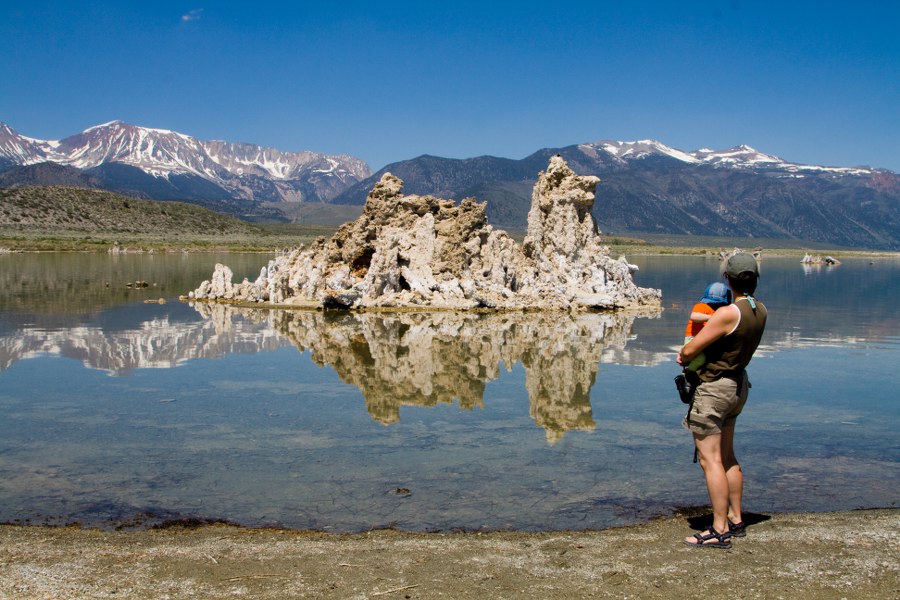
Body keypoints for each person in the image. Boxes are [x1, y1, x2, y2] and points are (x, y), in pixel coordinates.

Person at [676, 252, 767, 549]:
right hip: (738, 385)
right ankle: (736, 518)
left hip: (715, 389)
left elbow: (690, 351)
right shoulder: (760, 309)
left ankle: (718, 529)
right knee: (728, 456)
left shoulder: (729, 313)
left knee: (710, 459)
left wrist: (684, 355)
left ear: (728, 279)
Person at [683, 282, 733, 373]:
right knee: (700, 359)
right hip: (693, 338)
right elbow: (694, 316)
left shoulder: (720, 311)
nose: (716, 306)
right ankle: (689, 372)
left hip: (704, 340)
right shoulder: (701, 306)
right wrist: (711, 318)